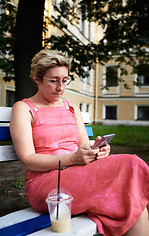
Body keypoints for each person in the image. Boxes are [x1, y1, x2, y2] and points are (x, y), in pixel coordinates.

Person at [10, 49, 149, 236]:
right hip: (45, 184)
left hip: (78, 174)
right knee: (131, 164)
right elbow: (28, 160)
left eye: (65, 80)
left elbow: (84, 145)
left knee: (133, 202)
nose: (60, 87)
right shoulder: (24, 108)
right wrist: (73, 159)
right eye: (53, 81)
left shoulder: (71, 108)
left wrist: (96, 151)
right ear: (37, 79)